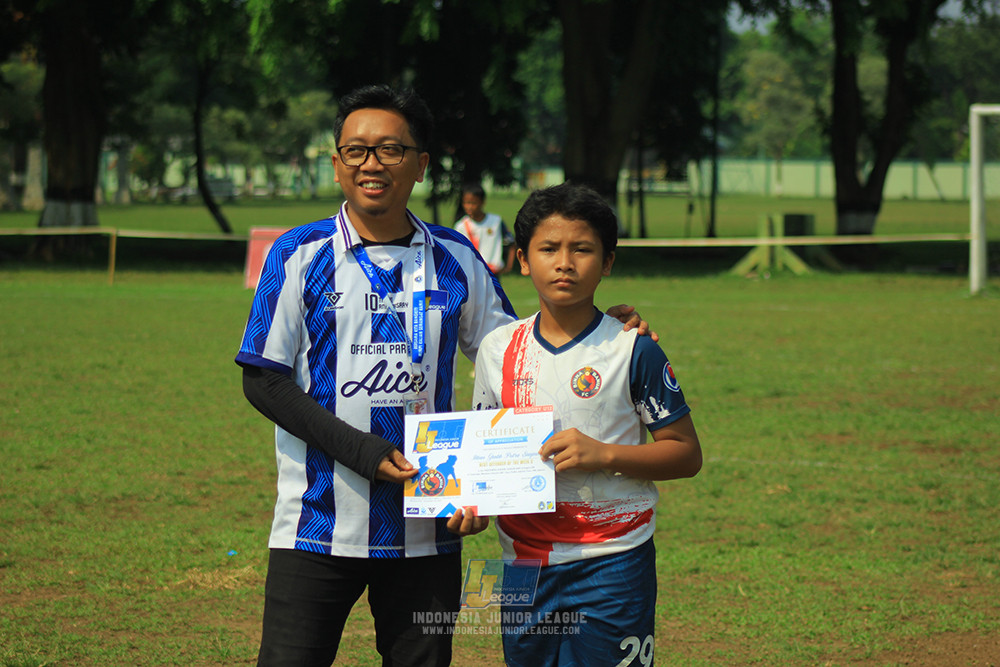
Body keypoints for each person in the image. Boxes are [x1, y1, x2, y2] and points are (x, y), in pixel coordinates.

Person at [235, 85, 654, 667]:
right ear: (336, 164)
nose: (372, 163)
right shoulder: (297, 254)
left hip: (430, 527)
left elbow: (519, 356)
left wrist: (604, 328)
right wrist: (363, 451)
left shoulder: (455, 258)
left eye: (390, 149)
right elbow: (264, 380)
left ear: (421, 164)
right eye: (356, 151)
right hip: (315, 524)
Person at [471, 183, 702, 667]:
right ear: (522, 259)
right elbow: (483, 459)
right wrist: (470, 506)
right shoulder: (497, 350)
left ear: (608, 262)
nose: (565, 263)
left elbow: (685, 453)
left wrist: (604, 454)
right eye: (548, 249)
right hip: (523, 562)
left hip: (613, 560)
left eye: (582, 249)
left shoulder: (632, 348)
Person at [453, 183, 515, 275]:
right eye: (466, 203)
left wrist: (508, 267)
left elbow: (511, 243)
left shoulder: (496, 221)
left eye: (473, 203)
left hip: (493, 273)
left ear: (482, 202)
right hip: (472, 273)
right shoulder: (460, 226)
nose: (469, 207)